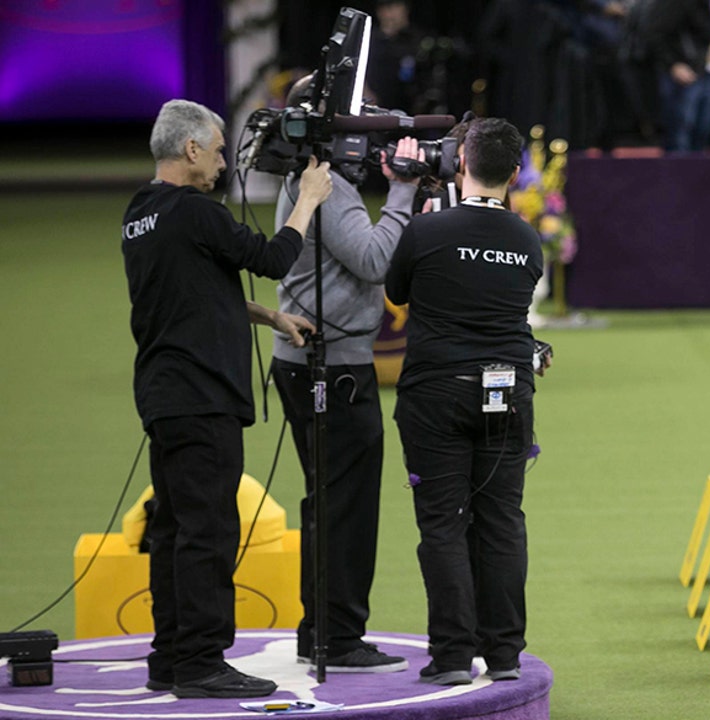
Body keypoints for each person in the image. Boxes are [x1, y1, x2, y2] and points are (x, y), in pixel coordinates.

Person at [122, 99, 332, 698]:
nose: (221, 163)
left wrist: (267, 317)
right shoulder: (195, 213)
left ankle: (170, 657)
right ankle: (201, 662)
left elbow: (189, 290)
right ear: (190, 149)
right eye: (216, 150)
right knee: (209, 532)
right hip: (203, 394)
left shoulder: (142, 212)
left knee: (174, 531)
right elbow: (270, 259)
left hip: (164, 393)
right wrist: (308, 200)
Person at [270, 76, 426, 673]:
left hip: (323, 361)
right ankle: (337, 636)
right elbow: (374, 260)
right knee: (346, 508)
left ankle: (325, 630)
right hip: (330, 368)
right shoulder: (326, 186)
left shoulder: (317, 180)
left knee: (331, 503)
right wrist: (404, 193)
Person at [385, 117, 543, 686]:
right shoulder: (527, 239)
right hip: (506, 388)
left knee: (444, 524)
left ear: (460, 164)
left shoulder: (427, 232)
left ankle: (452, 656)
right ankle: (503, 655)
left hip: (436, 393)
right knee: (502, 521)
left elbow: (396, 292)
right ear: (515, 173)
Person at [648, 0, 710, 152]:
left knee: (704, 128)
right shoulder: (676, 4)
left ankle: (697, 173)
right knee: (681, 129)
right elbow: (656, 33)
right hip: (684, 71)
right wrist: (673, 64)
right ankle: (676, 173)